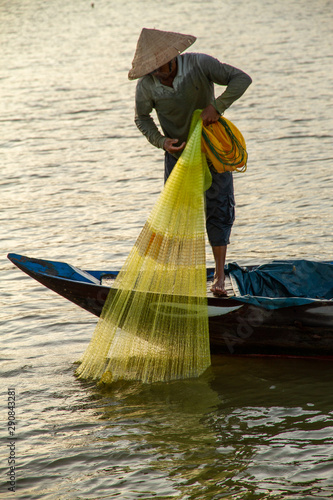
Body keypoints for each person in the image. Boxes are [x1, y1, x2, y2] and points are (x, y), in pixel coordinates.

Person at [128, 28, 252, 296]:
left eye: (161, 67)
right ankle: (181, 277)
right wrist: (162, 142)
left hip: (212, 149)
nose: (159, 73)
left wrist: (217, 107)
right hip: (179, 156)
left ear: (174, 57)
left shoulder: (199, 64)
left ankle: (219, 277)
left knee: (218, 209)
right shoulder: (147, 86)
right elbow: (142, 118)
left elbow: (241, 79)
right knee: (178, 216)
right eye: (152, 70)